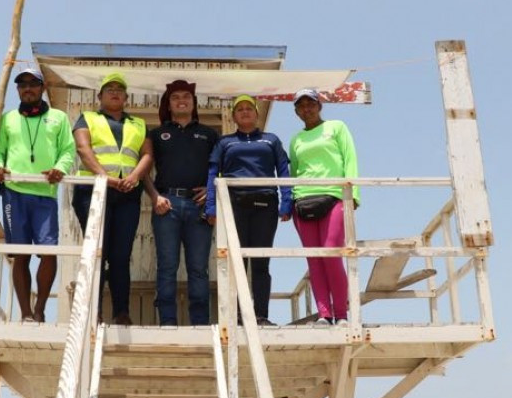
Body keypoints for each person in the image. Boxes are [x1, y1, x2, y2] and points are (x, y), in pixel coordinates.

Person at [0, 67, 76, 323]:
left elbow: (67, 151)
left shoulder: (59, 118)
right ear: (17, 89)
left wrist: (59, 169)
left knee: (49, 253)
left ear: (42, 88)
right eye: (22, 84)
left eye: (33, 83)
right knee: (20, 254)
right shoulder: (7, 119)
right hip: (14, 193)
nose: (27, 88)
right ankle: (26, 313)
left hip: (45, 194)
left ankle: (39, 311)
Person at [72, 71, 153, 326]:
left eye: (119, 89)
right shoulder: (87, 118)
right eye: (110, 89)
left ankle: (121, 312)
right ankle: (92, 311)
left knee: (120, 255)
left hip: (127, 194)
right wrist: (105, 177)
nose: (115, 92)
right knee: (98, 252)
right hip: (94, 193)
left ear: (126, 96)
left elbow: (147, 155)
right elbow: (83, 149)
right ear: (100, 96)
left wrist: (135, 177)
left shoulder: (138, 124)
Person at [205, 95, 292, 326]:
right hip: (235, 204)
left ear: (256, 114)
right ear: (233, 116)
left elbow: (283, 170)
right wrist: (211, 206)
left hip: (266, 205)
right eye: (240, 109)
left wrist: (286, 201)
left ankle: (261, 315)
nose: (245, 112)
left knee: (261, 262)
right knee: (237, 262)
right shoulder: (225, 142)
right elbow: (213, 174)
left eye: (249, 109)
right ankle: (236, 316)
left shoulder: (270, 140)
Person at [143, 80, 219, 326]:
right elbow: (143, 170)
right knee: (167, 266)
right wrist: (155, 197)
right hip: (168, 205)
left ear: (193, 102)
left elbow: (221, 169)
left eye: (186, 96)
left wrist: (211, 192)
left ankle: (200, 323)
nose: (181, 100)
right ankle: (167, 320)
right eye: (175, 97)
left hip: (198, 208)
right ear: (169, 103)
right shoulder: (156, 134)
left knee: (198, 268)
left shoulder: (209, 134)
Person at [288, 88, 360, 328]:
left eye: (311, 104)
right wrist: (289, 203)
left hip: (335, 196)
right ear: (296, 111)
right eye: (301, 105)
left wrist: (354, 196)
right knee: (314, 259)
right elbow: (294, 173)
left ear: (320, 106)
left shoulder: (337, 127)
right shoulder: (296, 140)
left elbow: (350, 159)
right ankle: (324, 314)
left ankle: (341, 314)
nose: (306, 109)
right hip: (303, 200)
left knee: (331, 252)